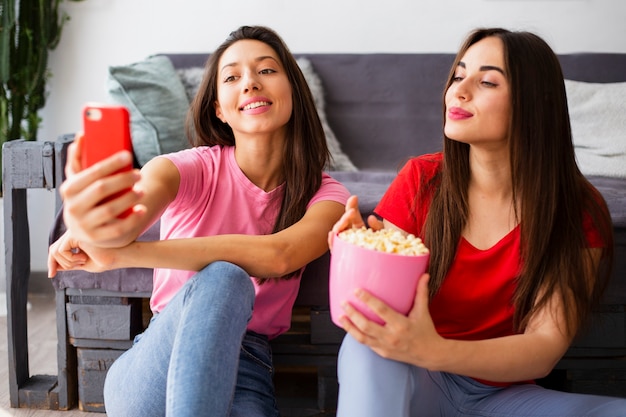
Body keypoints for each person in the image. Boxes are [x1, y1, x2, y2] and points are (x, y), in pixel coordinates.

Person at [48, 25, 350, 417]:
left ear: (294, 90)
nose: (251, 84)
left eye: (267, 70)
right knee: (226, 277)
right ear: (219, 109)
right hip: (158, 361)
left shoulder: (328, 195)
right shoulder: (188, 168)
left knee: (229, 275)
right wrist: (94, 224)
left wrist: (124, 255)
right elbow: (129, 217)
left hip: (248, 365)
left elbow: (281, 255)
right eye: (232, 77)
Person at [329, 28, 626, 416]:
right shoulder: (422, 179)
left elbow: (544, 347)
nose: (460, 90)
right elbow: (378, 309)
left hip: (502, 398)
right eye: (458, 75)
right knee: (366, 344)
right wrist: (358, 253)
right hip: (415, 385)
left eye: (486, 81)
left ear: (535, 102)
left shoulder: (577, 208)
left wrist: (437, 350)